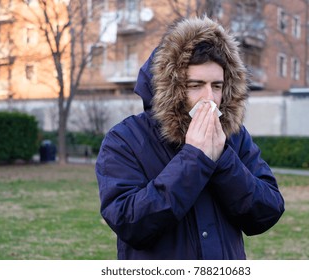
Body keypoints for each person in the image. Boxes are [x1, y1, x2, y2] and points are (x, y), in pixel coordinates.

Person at [96, 16, 285, 260]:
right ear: (171, 87)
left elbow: (267, 211)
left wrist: (223, 159)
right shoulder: (124, 140)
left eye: (217, 86)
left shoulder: (234, 136)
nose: (210, 98)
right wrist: (195, 158)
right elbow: (129, 223)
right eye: (196, 85)